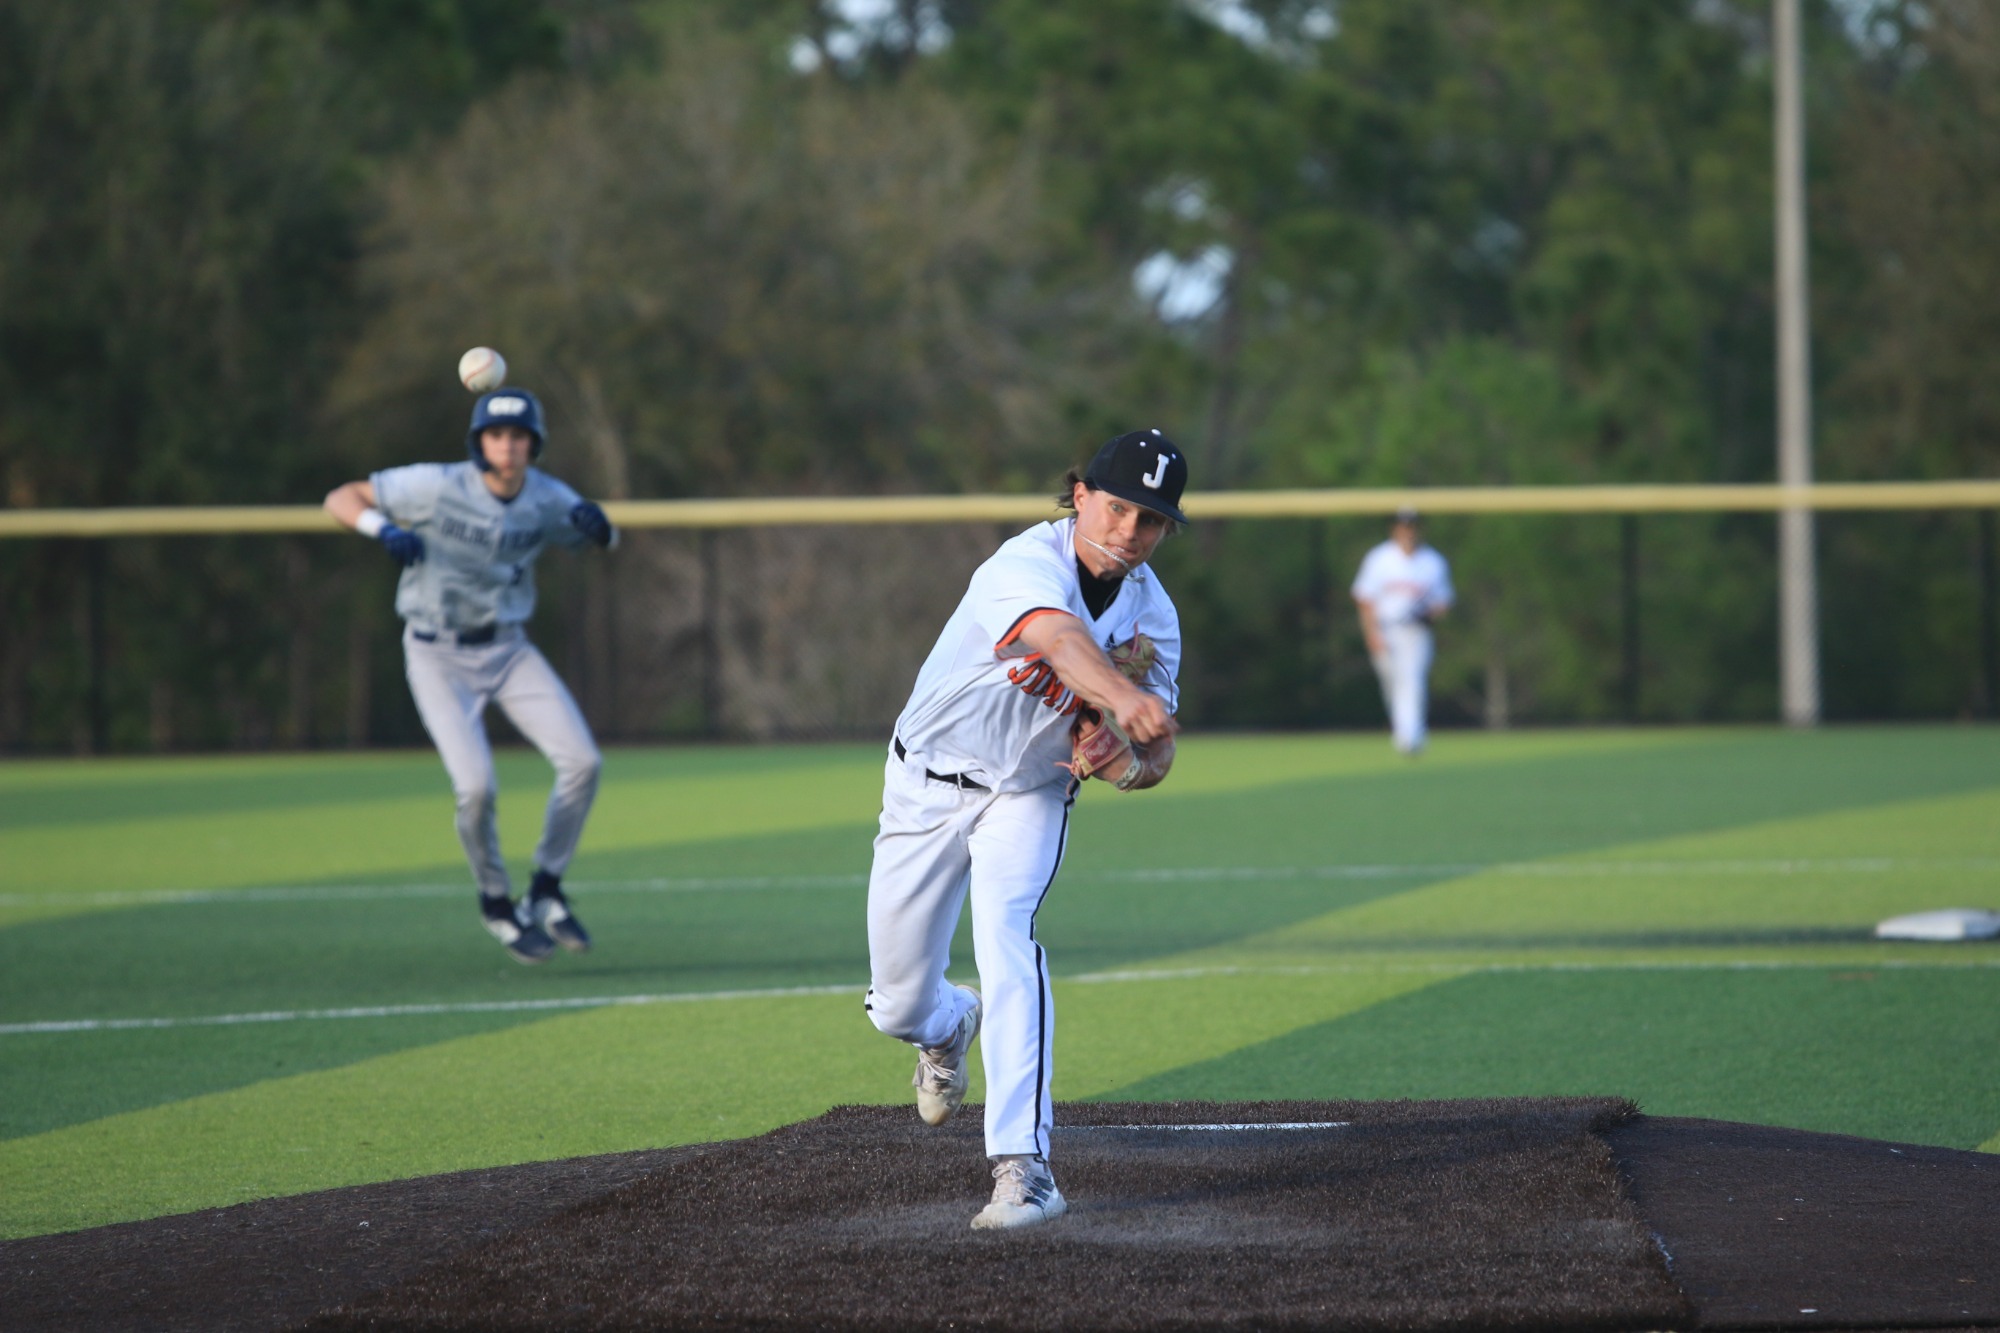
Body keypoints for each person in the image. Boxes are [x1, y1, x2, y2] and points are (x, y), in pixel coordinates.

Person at [864, 429, 1187, 1230]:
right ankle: (946, 1027)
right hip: (927, 782)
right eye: (1117, 507)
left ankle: (1024, 1166)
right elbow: (1057, 637)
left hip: (1032, 793)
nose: (1129, 532)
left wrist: (1125, 764)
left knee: (1008, 937)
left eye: (1151, 520)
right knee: (899, 1005)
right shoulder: (1023, 563)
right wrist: (1120, 697)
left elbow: (1157, 756)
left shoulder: (1156, 616)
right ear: (1080, 496)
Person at [324, 388, 616, 964]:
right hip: (436, 654)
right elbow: (342, 495)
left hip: (508, 649)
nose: (507, 447)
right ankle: (494, 899)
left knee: (583, 762)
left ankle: (547, 887)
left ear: (534, 445)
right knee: (476, 787)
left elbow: (599, 537)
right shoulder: (436, 486)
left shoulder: (547, 497)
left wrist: (600, 527)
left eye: (518, 437)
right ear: (479, 443)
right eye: (496, 436)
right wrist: (381, 529)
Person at [1352, 507, 1453, 755]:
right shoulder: (1379, 558)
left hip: (1416, 632)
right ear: (1394, 529)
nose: (1408, 531)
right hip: (1386, 628)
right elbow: (1365, 600)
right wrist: (1371, 634)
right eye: (1403, 526)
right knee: (1392, 683)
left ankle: (1411, 737)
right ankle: (1404, 730)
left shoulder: (1432, 561)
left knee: (1412, 681)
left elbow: (1444, 601)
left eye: (1412, 526)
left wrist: (1429, 614)